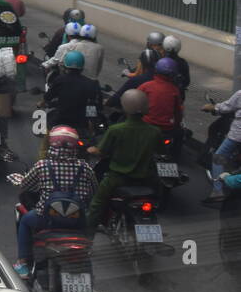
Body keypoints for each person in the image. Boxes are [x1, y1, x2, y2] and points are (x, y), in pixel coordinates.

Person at [13, 126, 98, 278]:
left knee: (25, 221)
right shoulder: (85, 168)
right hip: (77, 222)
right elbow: (93, 192)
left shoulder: (42, 166)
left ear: (52, 144)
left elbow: (27, 186)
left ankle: (22, 262)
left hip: (46, 220)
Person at [86, 89, 161, 233]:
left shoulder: (116, 130)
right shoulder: (154, 131)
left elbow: (101, 151)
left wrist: (91, 150)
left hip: (117, 179)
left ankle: (87, 237)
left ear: (124, 107)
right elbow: (161, 152)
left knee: (96, 204)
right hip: (146, 179)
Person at [44, 50, 102, 131]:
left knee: (47, 134)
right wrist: (91, 121)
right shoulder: (91, 83)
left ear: (65, 66)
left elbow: (48, 97)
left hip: (60, 120)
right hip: (81, 123)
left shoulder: (60, 79)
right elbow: (92, 105)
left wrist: (44, 102)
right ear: (82, 67)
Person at [203, 86, 241, 202]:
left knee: (218, 157)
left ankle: (217, 191)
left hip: (237, 136)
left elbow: (226, 107)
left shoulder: (240, 94)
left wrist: (212, 107)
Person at [141, 57, 184, 153]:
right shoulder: (175, 90)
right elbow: (178, 113)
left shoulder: (146, 86)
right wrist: (176, 124)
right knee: (180, 134)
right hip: (167, 129)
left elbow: (135, 101)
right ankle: (174, 158)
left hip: (146, 125)